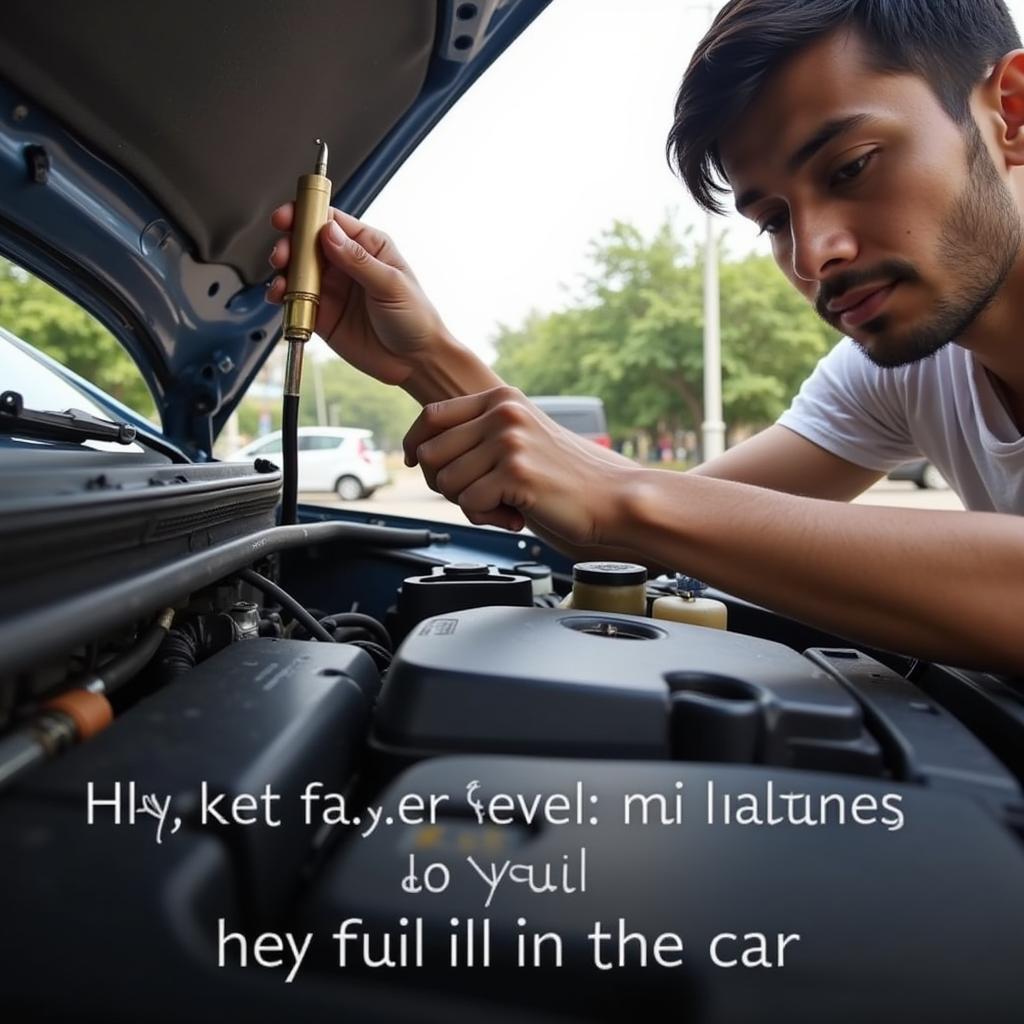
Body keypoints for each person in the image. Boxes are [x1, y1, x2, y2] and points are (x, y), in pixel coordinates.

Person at [267, 0, 1024, 674]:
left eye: (851, 168)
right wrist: (425, 357)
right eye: (773, 220)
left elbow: (637, 510)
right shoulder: (903, 370)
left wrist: (622, 498)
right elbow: (652, 528)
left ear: (1010, 111)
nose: (811, 255)